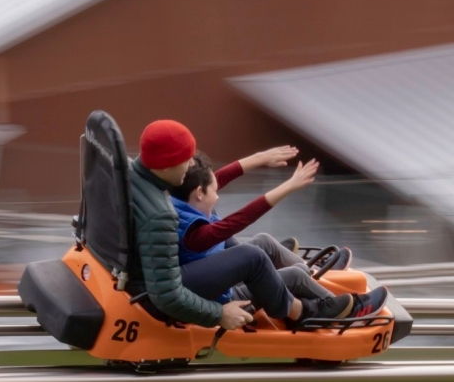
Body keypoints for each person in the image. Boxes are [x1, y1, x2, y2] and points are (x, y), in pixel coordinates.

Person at [127, 119, 387, 331]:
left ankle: (306, 273)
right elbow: (235, 222)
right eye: (213, 191)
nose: (217, 195)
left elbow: (210, 181)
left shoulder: (170, 193)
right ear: (197, 193)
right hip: (221, 296)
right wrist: (287, 187)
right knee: (257, 257)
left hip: (197, 273)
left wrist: (259, 158)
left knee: (262, 242)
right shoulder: (185, 228)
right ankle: (321, 311)